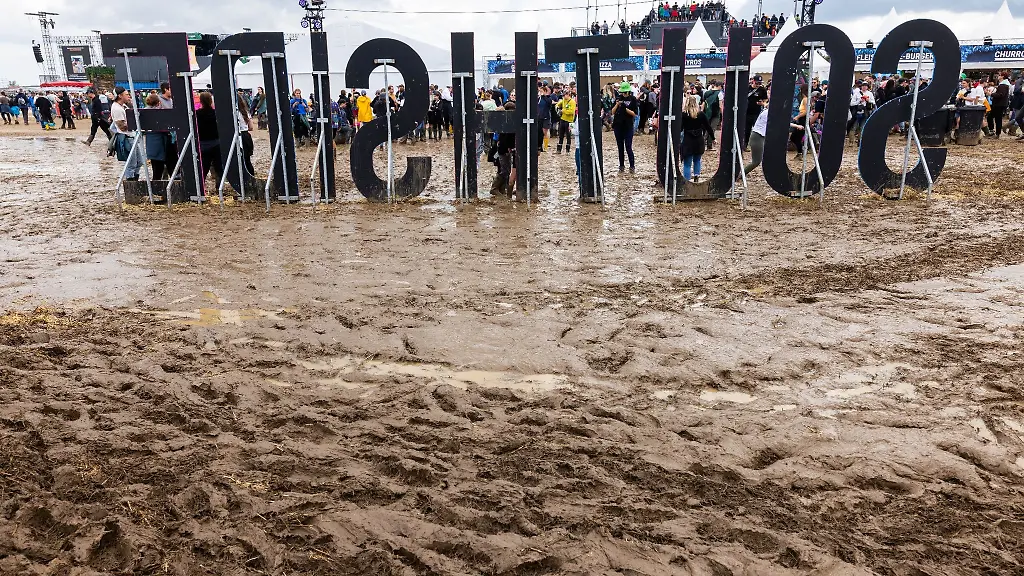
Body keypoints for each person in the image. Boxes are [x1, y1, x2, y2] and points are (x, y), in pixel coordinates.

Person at [110, 87, 144, 180]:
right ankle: (131, 184)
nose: (129, 96)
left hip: (131, 136)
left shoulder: (123, 106)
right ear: (120, 96)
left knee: (139, 162)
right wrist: (134, 123)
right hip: (126, 137)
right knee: (131, 164)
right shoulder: (117, 108)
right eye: (127, 95)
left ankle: (135, 181)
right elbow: (122, 127)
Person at [679, 94, 713, 182]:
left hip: (688, 140)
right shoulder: (701, 114)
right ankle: (696, 177)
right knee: (697, 160)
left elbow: (680, 128)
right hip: (699, 140)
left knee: (687, 164)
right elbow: (708, 127)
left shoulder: (684, 115)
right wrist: (713, 138)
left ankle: (687, 181)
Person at [611, 81, 639, 173]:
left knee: (628, 146)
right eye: (622, 92)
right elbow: (612, 112)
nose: (623, 94)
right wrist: (617, 104)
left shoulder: (633, 99)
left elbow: (634, 114)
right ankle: (621, 165)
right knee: (620, 147)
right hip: (618, 126)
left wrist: (625, 108)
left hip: (628, 126)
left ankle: (632, 166)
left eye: (624, 92)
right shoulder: (618, 98)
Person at [195, 91, 221, 182]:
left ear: (201, 101)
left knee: (203, 168)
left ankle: (201, 188)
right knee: (219, 167)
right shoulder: (216, 113)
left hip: (203, 143)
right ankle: (219, 186)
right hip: (216, 142)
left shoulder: (197, 114)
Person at [143, 94, 167, 179]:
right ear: (158, 103)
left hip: (150, 143)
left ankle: (155, 188)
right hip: (160, 142)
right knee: (160, 168)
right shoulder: (159, 113)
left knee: (156, 170)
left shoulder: (144, 112)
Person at [744, 75, 767, 149]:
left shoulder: (762, 89)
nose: (758, 85)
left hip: (757, 112)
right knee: (747, 129)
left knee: (758, 129)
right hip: (747, 112)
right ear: (753, 81)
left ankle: (758, 144)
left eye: (759, 83)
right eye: (757, 83)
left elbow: (765, 99)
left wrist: (762, 103)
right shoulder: (747, 88)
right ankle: (745, 145)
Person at [236, 93, 255, 176]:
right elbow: (251, 127)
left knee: (239, 160)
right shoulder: (245, 112)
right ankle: (251, 177)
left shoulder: (234, 113)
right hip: (246, 136)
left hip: (238, 137)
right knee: (247, 160)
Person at [988, 72, 1010, 139]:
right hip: (1000, 104)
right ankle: (995, 132)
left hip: (999, 104)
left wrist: (991, 94)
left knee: (996, 119)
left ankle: (996, 133)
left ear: (1003, 77)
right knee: (995, 118)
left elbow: (1000, 95)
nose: (998, 76)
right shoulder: (1004, 84)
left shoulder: (1003, 85)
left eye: (1000, 75)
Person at [702, 80, 722, 150]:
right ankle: (709, 145)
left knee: (707, 128)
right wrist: (722, 113)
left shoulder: (707, 93)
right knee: (712, 129)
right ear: (719, 86)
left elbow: (703, 103)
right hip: (715, 113)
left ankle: (703, 143)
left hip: (707, 112)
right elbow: (720, 105)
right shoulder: (719, 93)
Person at [555, 89, 576, 154]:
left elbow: (572, 111)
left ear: (568, 95)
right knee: (560, 134)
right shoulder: (563, 100)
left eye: (564, 95)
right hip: (562, 119)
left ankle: (567, 150)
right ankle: (559, 150)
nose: (563, 97)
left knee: (569, 135)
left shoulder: (572, 102)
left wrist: (563, 111)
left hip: (570, 121)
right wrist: (558, 108)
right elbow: (558, 104)